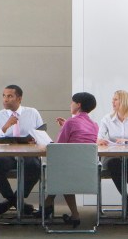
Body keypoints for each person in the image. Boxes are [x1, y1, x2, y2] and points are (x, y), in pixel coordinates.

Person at [42, 92, 99, 229]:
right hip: (88, 170)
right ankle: (53, 207)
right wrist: (65, 126)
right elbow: (79, 143)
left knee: (62, 169)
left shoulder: (71, 122)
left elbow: (59, 146)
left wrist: (65, 127)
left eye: (72, 102)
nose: (70, 105)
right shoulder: (94, 125)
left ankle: (49, 205)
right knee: (67, 167)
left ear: (78, 105)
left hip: (69, 170)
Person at [0, 84, 44, 217]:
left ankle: (12, 201)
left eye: (10, 96)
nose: (5, 99)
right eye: (4, 96)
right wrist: (5, 127)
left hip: (29, 154)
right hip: (7, 154)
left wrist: (36, 139)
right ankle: (14, 200)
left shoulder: (32, 112)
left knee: (34, 167)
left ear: (19, 99)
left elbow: (42, 134)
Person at [97, 90, 128, 215]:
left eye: (115, 99)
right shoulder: (107, 119)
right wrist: (101, 141)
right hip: (112, 157)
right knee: (115, 165)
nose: (113, 102)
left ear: (124, 101)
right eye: (113, 99)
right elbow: (99, 138)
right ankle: (126, 200)